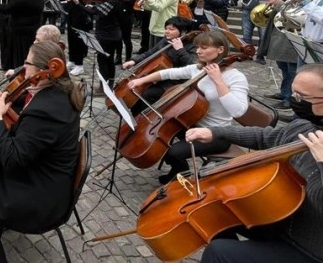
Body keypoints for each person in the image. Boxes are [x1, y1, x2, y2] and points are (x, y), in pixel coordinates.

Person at [0, 41, 86, 263]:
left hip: (42, 199)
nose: (22, 68)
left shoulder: (47, 109)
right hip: (45, 177)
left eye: (27, 63)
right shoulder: (57, 93)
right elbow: (27, 142)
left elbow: (13, 158)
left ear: (45, 70)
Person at [187, 63, 323, 263]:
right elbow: (264, 137)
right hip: (281, 217)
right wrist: (216, 132)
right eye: (293, 93)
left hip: (309, 248)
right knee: (212, 216)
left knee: (219, 252)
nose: (294, 100)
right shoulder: (305, 125)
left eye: (301, 97)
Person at [127, 31, 249, 184]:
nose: (198, 51)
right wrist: (141, 80)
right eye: (198, 47)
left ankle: (181, 172)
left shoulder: (235, 77)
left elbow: (238, 111)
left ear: (220, 50)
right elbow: (168, 73)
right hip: (191, 123)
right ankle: (179, 170)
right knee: (158, 141)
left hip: (216, 133)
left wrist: (218, 81)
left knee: (172, 152)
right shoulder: (199, 69)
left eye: (204, 47)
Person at [121, 16, 198, 115]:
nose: (167, 31)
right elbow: (151, 52)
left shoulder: (192, 46)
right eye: (166, 28)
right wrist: (133, 61)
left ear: (183, 31)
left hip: (174, 82)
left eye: (171, 29)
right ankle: (133, 116)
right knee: (135, 88)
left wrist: (180, 49)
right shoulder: (166, 40)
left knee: (148, 94)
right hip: (158, 77)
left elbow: (192, 65)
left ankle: (142, 119)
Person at [82, 0, 127, 92]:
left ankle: (103, 87)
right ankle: (109, 83)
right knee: (109, 60)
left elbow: (95, 12)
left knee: (103, 61)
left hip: (107, 36)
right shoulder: (114, 0)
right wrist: (94, 6)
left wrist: (78, 4)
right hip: (112, 35)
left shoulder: (113, 2)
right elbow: (101, 9)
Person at [239, 0, 281, 64]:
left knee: (263, 36)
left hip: (265, 13)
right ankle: (247, 54)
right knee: (246, 35)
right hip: (248, 11)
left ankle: (260, 56)